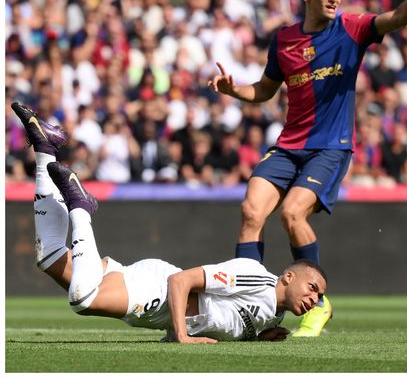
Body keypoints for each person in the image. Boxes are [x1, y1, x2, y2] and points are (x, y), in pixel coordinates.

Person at [12, 102, 327, 343]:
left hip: (157, 307)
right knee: (83, 300)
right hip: (159, 289)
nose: (314, 300)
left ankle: (45, 149)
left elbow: (227, 320)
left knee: (49, 257)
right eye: (312, 288)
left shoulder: (273, 316)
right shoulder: (257, 278)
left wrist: (257, 338)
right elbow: (181, 282)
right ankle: (80, 206)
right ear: (287, 276)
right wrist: (181, 335)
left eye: (317, 296)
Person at [207, 0, 407, 336]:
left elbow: (397, 17)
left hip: (330, 147)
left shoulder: (352, 27)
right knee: (251, 211)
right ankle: (249, 306)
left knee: (292, 213)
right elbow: (265, 90)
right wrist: (233, 90)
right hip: (288, 145)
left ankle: (319, 304)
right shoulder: (283, 39)